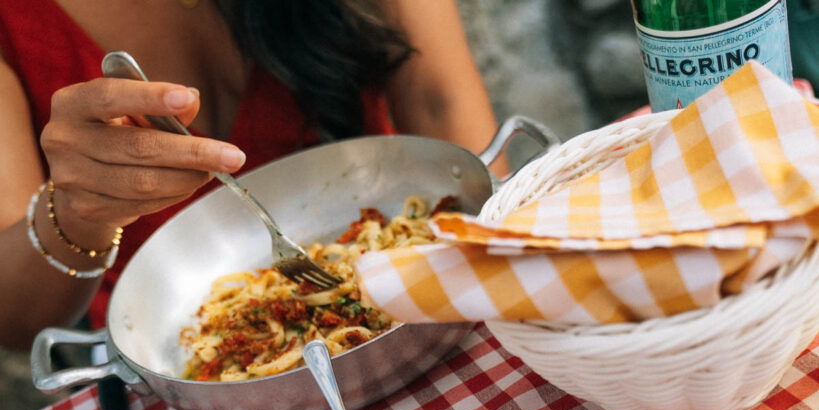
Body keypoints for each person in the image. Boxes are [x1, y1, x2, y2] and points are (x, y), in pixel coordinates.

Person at [0, 0, 500, 351]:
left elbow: (441, 101)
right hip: (172, 350)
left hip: (424, 285)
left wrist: (503, 245)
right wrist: (77, 211)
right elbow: (16, 320)